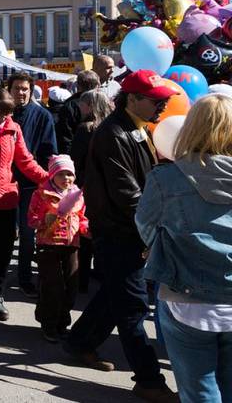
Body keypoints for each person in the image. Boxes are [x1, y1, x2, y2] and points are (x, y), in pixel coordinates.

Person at [66, 69, 179, 403]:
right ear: (133, 99)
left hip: (132, 229)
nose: (161, 107)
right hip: (120, 231)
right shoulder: (113, 133)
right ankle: (148, 380)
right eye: (156, 101)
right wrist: (155, 225)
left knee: (116, 295)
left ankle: (79, 342)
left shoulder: (138, 129)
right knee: (132, 308)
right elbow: (127, 194)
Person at [138, 93, 232, 403]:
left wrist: (160, 245)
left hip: (185, 297)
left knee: (198, 392)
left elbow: (146, 227)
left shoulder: (166, 178)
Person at [0, 86, 49, 323]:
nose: (2, 118)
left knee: (3, 254)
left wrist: (50, 179)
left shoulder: (13, 129)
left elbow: (25, 161)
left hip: (6, 201)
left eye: (7, 114)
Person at [27, 155, 89, 343]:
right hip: (48, 245)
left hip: (71, 245)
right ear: (52, 175)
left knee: (71, 286)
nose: (66, 178)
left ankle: (63, 322)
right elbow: (31, 220)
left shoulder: (77, 195)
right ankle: (49, 324)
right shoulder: (41, 194)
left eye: (69, 174)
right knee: (53, 286)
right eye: (61, 174)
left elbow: (82, 217)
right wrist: (43, 221)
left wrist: (87, 229)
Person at [8, 72, 57, 297]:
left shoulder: (42, 116)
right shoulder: (2, 114)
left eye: (25, 89)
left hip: (30, 183)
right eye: (17, 88)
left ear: (31, 90)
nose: (21, 92)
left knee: (28, 235)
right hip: (4, 183)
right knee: (6, 233)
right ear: (10, 90)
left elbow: (49, 150)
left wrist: (47, 179)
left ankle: (25, 277)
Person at [69, 89, 113, 293]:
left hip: (87, 188)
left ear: (90, 106)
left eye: (83, 104)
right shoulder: (114, 128)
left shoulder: (85, 129)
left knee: (85, 235)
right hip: (109, 190)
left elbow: (75, 161)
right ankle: (104, 277)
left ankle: (82, 280)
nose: (80, 107)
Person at [56, 70, 100, 155]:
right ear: (98, 85)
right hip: (97, 154)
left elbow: (65, 138)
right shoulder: (104, 102)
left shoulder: (69, 106)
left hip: (79, 155)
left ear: (78, 85)